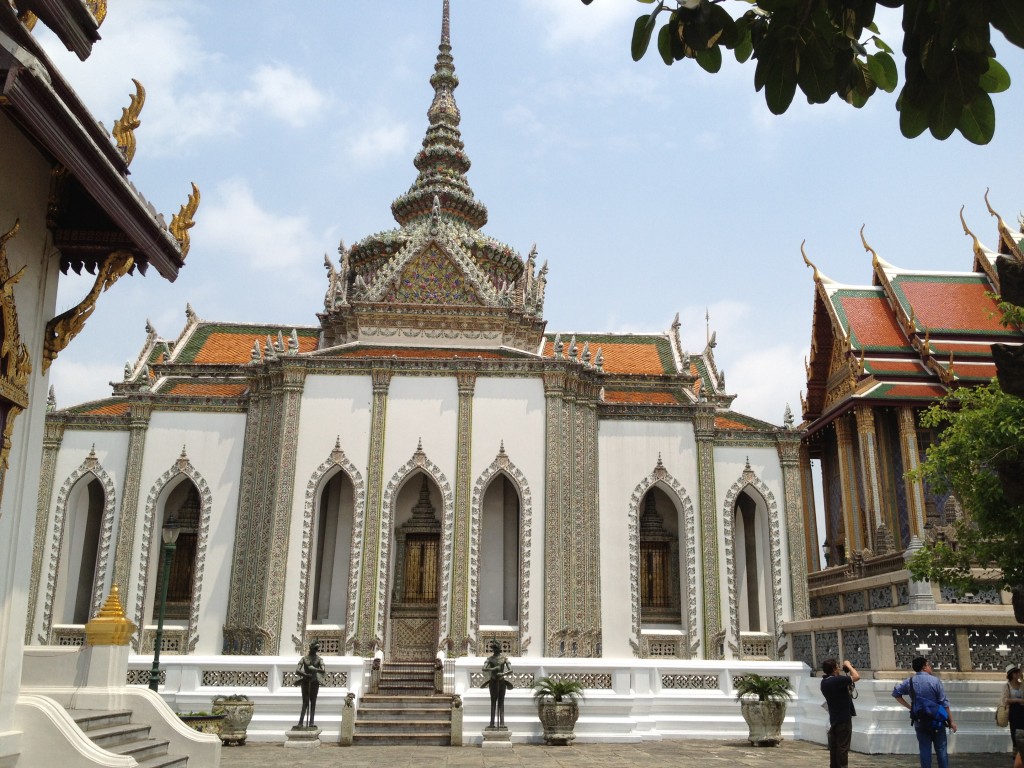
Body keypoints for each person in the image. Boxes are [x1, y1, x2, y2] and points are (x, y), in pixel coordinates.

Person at [892, 656, 957, 768]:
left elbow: (896, 694)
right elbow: (944, 703)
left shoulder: (910, 681)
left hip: (920, 721)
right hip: (937, 721)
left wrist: (909, 707)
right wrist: (951, 721)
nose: (930, 667)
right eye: (928, 665)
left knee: (924, 749)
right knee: (941, 749)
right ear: (924, 667)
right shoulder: (935, 681)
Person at [821, 658, 860, 768]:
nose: (839, 668)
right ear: (833, 669)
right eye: (837, 666)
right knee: (843, 747)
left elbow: (845, 685)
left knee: (835, 747)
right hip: (843, 719)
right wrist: (849, 666)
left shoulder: (824, 682)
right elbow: (857, 677)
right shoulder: (837, 681)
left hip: (834, 718)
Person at [481, 639, 513, 728]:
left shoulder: (504, 659)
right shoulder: (490, 659)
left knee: (501, 702)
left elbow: (511, 670)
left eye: (496, 648)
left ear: (499, 649)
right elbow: (484, 668)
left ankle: (502, 723)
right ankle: (492, 723)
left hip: (502, 681)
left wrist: (503, 673)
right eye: (493, 648)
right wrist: (493, 669)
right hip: (493, 681)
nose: (494, 650)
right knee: (493, 701)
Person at [296, 640, 326, 728]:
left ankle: (311, 722)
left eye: (317, 649)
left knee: (313, 702)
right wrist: (305, 674)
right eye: (314, 648)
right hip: (305, 681)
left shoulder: (319, 659)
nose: (315, 650)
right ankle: (300, 723)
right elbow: (297, 670)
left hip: (314, 682)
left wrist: (314, 669)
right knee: (305, 702)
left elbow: (323, 670)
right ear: (311, 648)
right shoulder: (304, 659)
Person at [1004, 664, 1024, 759]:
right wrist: (1018, 700)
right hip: (1014, 711)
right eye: (1015, 672)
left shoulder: (1022, 685)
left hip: (1022, 710)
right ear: (1011, 674)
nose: (1017, 674)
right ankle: (1016, 752)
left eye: (1018, 672)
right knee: (1015, 732)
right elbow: (1006, 699)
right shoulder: (1007, 686)